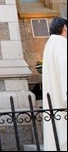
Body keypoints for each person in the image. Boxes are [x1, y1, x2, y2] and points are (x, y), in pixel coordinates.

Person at [42, 17, 67, 151]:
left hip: (55, 102)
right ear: (65, 27)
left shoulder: (50, 44)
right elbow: (65, 70)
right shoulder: (62, 44)